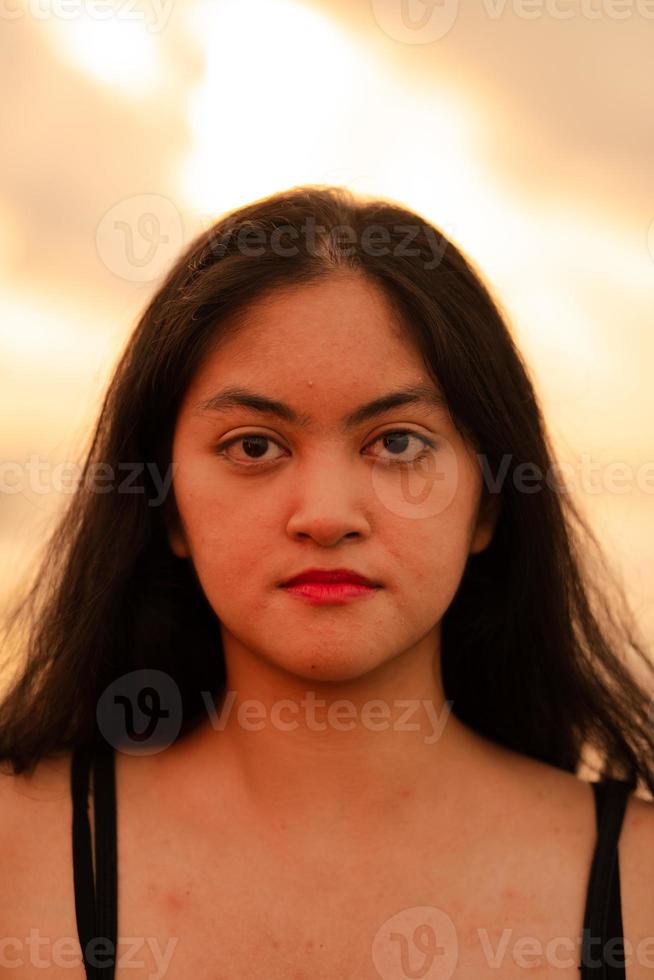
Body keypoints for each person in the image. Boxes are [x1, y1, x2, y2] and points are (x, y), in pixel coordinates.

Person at [0, 184, 652, 979]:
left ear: (489, 503)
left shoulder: (640, 887)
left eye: (400, 442)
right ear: (164, 504)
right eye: (252, 447)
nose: (326, 515)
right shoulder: (17, 861)